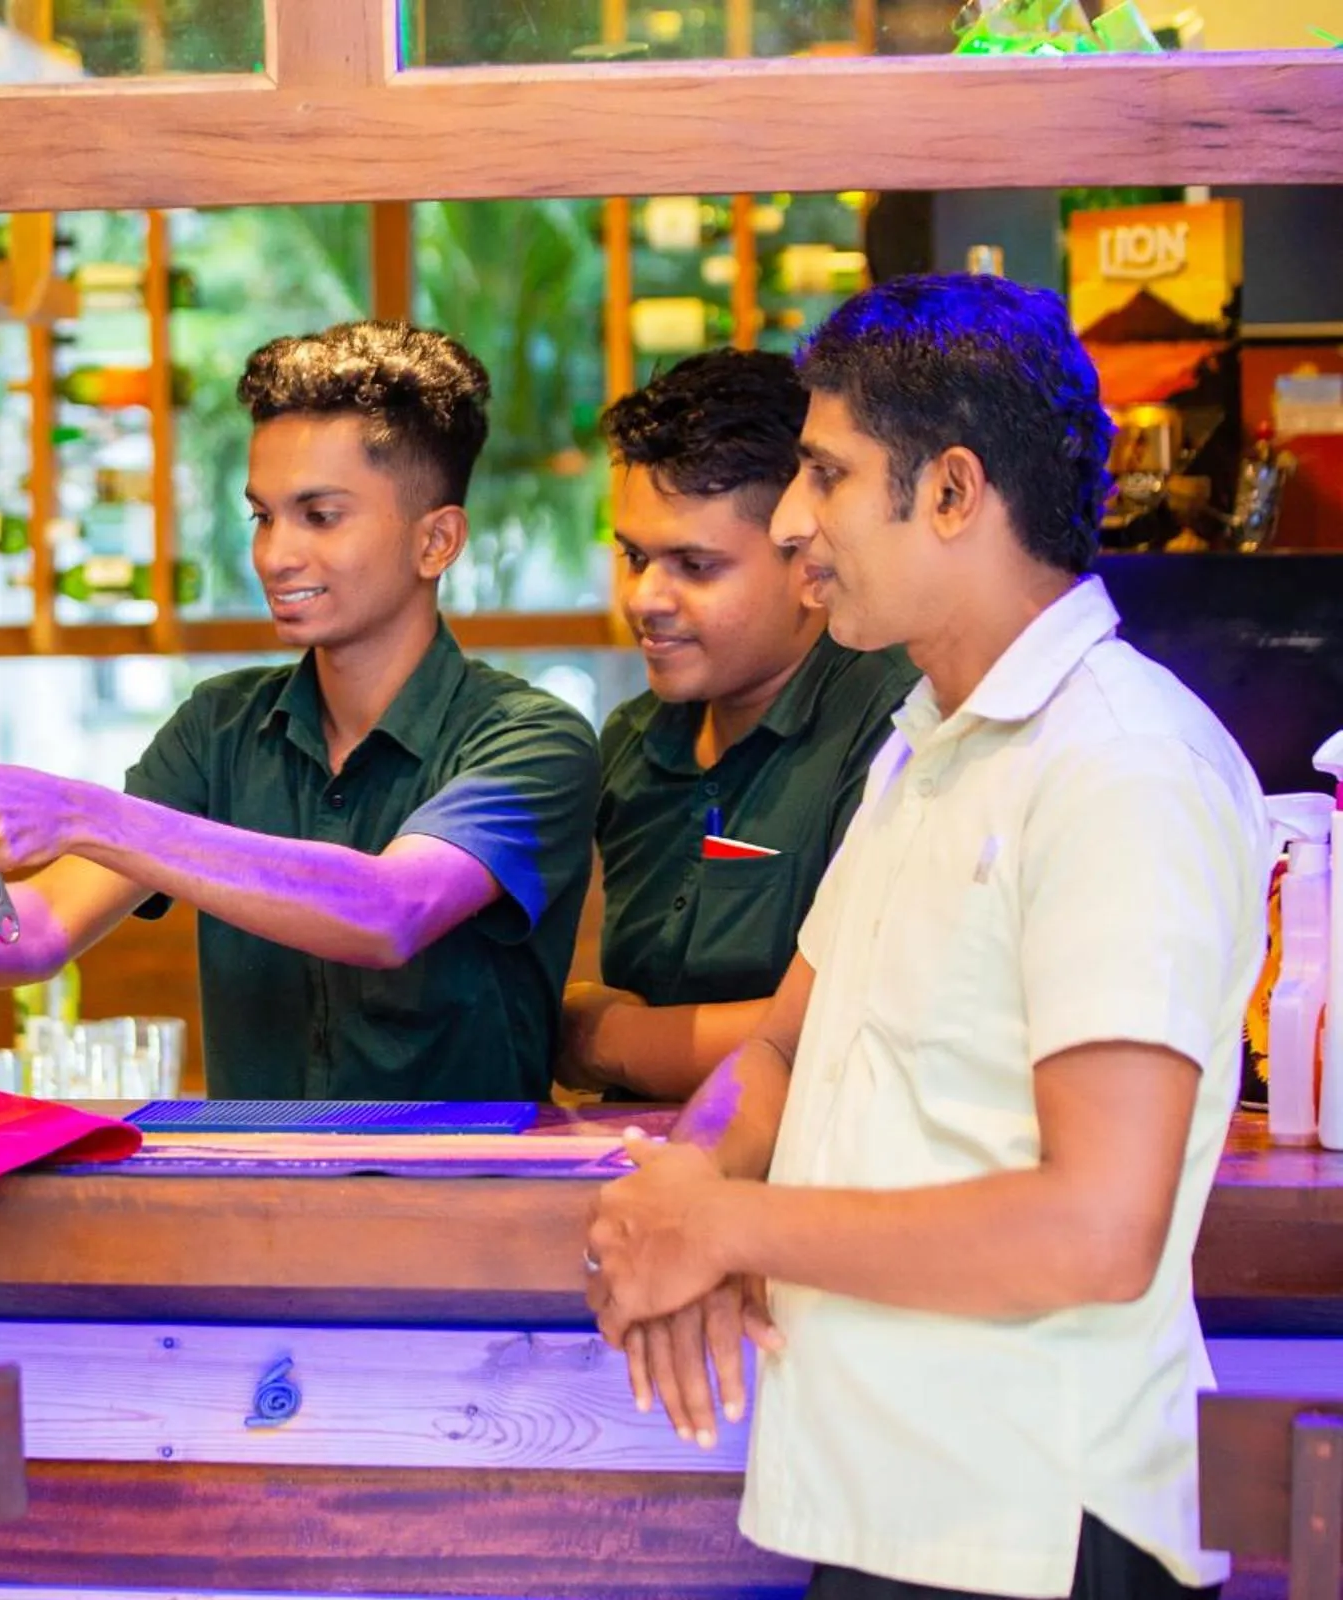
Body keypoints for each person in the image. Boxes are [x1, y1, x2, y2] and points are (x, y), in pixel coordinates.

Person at [585, 275, 1266, 1598]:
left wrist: (732, 1230)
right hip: (887, 1514)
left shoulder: (1121, 763)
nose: (795, 522)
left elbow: (1097, 1227)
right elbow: (783, 1049)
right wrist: (694, 1178)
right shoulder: (927, 749)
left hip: (1038, 1530)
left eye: (827, 475)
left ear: (953, 491)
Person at [0, 321, 600, 1100]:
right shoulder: (220, 725)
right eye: (263, 515)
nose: (275, 554)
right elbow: (38, 930)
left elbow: (392, 910)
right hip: (242, 1176)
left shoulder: (530, 739)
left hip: (469, 1181)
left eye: (320, 516)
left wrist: (83, 813)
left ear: (437, 541)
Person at [561, 350, 918, 1101]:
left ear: (806, 555)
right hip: (640, 1156)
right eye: (634, 557)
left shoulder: (894, 726)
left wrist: (602, 1039)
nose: (645, 598)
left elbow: (855, 1029)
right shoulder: (633, 740)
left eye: (695, 566)